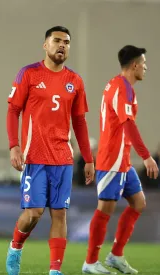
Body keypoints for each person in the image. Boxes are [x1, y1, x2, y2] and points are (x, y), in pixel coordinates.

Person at [5, 26, 94, 275]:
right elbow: (13, 111)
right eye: (56, 41)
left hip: (63, 157)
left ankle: (55, 270)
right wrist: (14, 146)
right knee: (33, 213)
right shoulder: (29, 74)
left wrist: (88, 158)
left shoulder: (75, 81)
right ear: (45, 45)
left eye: (66, 41)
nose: (62, 45)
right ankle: (15, 248)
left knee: (59, 214)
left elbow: (79, 122)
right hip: (34, 156)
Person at [82, 45, 158, 274]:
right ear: (134, 65)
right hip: (111, 159)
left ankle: (116, 255)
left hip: (122, 160)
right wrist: (146, 157)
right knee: (105, 209)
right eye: (143, 63)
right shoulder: (121, 88)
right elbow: (128, 124)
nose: (146, 67)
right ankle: (90, 262)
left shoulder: (120, 86)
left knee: (139, 203)